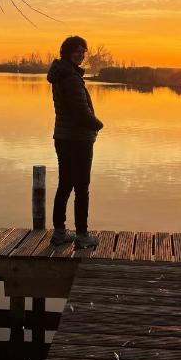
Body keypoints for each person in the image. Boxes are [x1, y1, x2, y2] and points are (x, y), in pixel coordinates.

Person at [47, 36, 104, 248]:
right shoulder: (70, 78)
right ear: (66, 52)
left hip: (64, 137)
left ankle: (59, 233)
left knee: (65, 185)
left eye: (83, 51)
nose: (81, 55)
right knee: (81, 188)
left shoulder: (63, 75)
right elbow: (80, 112)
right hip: (77, 139)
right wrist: (98, 125)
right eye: (77, 51)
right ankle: (81, 236)